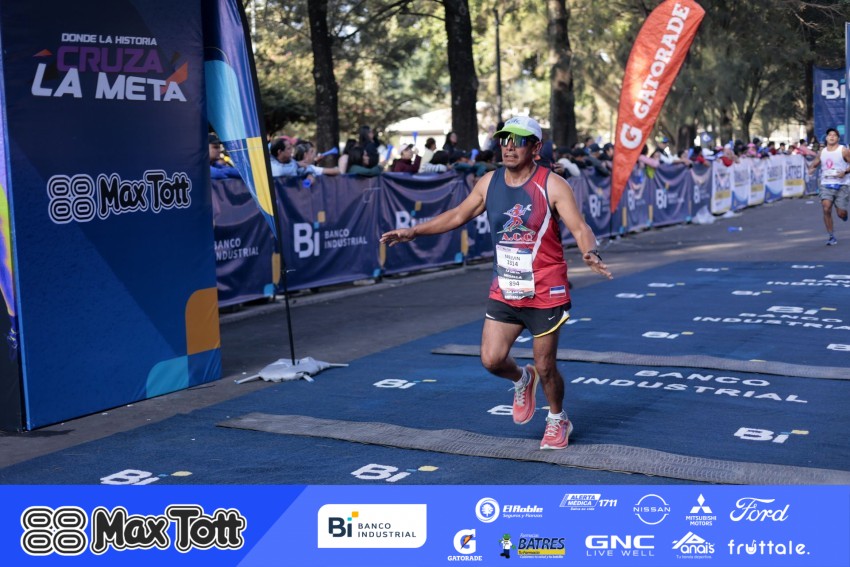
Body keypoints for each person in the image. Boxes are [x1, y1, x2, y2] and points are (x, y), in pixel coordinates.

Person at [380, 115, 612, 450]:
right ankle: (522, 378)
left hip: (545, 289)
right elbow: (458, 215)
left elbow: (579, 226)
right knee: (491, 360)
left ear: (536, 147)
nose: (509, 147)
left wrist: (590, 252)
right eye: (504, 140)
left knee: (546, 365)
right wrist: (413, 231)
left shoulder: (552, 184)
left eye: (518, 141)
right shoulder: (489, 182)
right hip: (505, 286)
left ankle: (557, 418)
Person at [807, 127, 850, 246]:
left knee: (841, 213)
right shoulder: (822, 152)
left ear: (838, 138)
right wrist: (811, 170)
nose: (831, 137)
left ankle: (844, 214)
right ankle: (831, 236)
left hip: (842, 185)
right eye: (829, 135)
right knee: (826, 208)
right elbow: (814, 164)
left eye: (834, 135)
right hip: (826, 184)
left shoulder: (843, 150)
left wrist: (845, 172)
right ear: (826, 138)